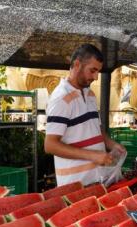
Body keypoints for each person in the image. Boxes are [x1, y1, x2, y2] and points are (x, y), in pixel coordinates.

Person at [44, 44, 125, 186]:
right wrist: (93, 156)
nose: (96, 77)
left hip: (97, 180)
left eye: (98, 72)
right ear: (77, 64)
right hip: (75, 185)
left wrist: (111, 144)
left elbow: (96, 129)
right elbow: (50, 145)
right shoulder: (61, 98)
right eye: (92, 70)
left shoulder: (90, 94)